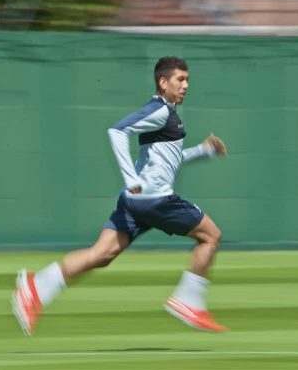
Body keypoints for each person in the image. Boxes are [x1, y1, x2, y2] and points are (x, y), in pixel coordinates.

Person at [12, 56, 229, 336]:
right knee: (211, 236)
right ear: (163, 83)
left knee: (102, 254)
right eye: (180, 80)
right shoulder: (159, 111)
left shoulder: (168, 114)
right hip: (155, 200)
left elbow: (168, 160)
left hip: (134, 202)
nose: (186, 85)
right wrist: (130, 177)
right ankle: (188, 301)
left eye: (187, 80)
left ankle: (35, 288)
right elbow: (116, 131)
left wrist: (204, 150)